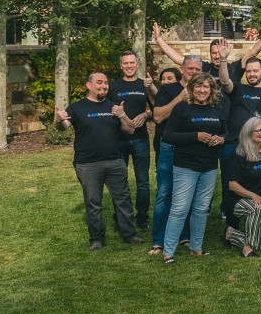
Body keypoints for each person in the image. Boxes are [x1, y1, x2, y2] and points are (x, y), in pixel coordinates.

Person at [54, 72, 141, 249]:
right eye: (99, 83)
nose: (104, 86)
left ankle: (129, 235)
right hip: (87, 163)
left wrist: (122, 115)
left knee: (123, 199)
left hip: (114, 161)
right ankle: (96, 239)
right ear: (89, 85)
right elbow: (64, 127)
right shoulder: (77, 107)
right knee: (93, 202)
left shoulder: (114, 106)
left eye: (106, 83)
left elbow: (130, 130)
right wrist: (57, 120)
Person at [161, 73, 227, 264]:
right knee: (180, 209)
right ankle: (168, 252)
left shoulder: (217, 108)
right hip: (186, 166)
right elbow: (168, 135)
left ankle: (196, 248)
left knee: (201, 209)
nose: (202, 90)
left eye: (206, 87)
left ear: (212, 90)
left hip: (209, 167)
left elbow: (225, 131)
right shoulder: (182, 108)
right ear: (191, 89)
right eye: (198, 86)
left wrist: (221, 139)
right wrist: (195, 136)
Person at [150, 57, 202, 254]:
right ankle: (158, 240)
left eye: (198, 69)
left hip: (191, 148)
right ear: (182, 69)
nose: (194, 72)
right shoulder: (168, 90)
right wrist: (180, 98)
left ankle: (185, 236)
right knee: (165, 193)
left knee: (188, 195)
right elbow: (157, 117)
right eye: (190, 68)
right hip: (170, 148)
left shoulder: (203, 92)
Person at [221, 57, 261, 234]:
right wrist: (224, 60)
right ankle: (232, 226)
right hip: (234, 145)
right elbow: (225, 82)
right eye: (248, 71)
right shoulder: (239, 89)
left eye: (255, 70)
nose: (251, 74)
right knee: (230, 185)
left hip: (260, 146)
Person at [109, 51, 153, 228]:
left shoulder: (145, 84)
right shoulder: (113, 87)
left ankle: (142, 216)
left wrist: (145, 114)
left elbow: (155, 108)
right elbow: (108, 109)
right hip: (118, 139)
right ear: (121, 65)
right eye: (125, 63)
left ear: (138, 64)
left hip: (140, 139)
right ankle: (121, 215)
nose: (129, 66)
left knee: (142, 181)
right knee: (119, 180)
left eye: (132, 63)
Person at [225, 116, 261, 258]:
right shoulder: (240, 155)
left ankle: (231, 234)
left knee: (259, 206)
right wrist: (253, 196)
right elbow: (232, 185)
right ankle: (248, 248)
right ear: (249, 134)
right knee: (257, 207)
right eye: (259, 130)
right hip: (239, 199)